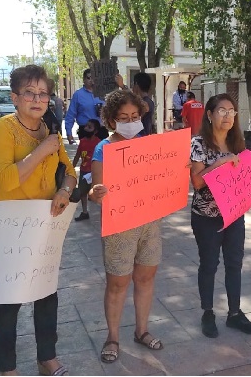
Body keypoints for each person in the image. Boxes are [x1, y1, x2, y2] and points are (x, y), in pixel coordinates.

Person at [0, 64, 76, 376]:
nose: (37, 99)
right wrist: (41, 150)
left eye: (43, 94)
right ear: (15, 97)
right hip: (9, 229)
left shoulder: (51, 133)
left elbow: (71, 173)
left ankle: (47, 358)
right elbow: (7, 179)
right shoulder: (0, 129)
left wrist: (64, 190)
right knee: (9, 303)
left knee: (46, 295)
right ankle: (6, 368)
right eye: (29, 93)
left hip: (44, 227)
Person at [89, 90, 163, 364]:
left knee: (146, 278)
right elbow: (95, 193)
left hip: (150, 223)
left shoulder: (149, 145)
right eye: (123, 118)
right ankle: (112, 337)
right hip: (120, 226)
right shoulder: (103, 149)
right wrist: (96, 193)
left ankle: (141, 330)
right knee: (118, 283)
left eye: (134, 116)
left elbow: (162, 179)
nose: (131, 122)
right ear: (111, 120)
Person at [189, 94, 251, 338]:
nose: (228, 116)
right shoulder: (198, 144)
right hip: (206, 217)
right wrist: (222, 162)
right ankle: (208, 312)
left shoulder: (238, 142)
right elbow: (197, 183)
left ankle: (234, 313)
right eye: (222, 111)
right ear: (209, 114)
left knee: (234, 264)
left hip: (234, 214)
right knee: (209, 264)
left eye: (232, 111)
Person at [64, 68, 106, 143]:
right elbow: (71, 115)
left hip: (101, 130)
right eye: (88, 78)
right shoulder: (78, 95)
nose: (91, 80)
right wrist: (69, 133)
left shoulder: (103, 94)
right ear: (84, 80)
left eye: (93, 78)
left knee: (103, 154)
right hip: (86, 131)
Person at [72, 119, 101, 221]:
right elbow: (77, 156)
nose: (86, 129)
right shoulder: (82, 142)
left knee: (99, 193)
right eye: (86, 126)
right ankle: (85, 212)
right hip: (84, 172)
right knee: (82, 193)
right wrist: (71, 169)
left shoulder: (99, 144)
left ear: (95, 131)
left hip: (95, 173)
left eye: (90, 127)